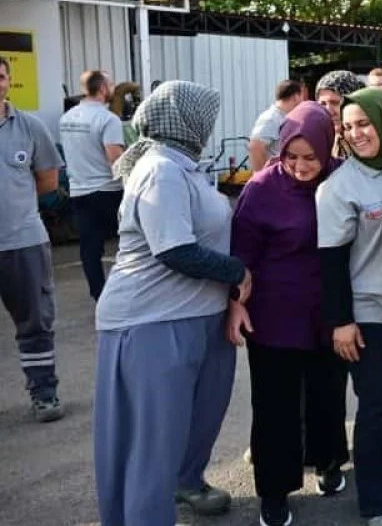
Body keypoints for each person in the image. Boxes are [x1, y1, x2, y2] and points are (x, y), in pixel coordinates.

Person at [93, 81, 248, 525]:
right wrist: (238, 272)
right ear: (185, 120)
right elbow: (175, 250)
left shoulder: (184, 166)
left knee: (192, 425)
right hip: (154, 322)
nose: (210, 126)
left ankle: (186, 482)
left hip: (197, 316)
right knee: (153, 442)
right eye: (205, 116)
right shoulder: (160, 169)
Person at [229, 102, 351, 526]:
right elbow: (241, 256)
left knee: (328, 394)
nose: (300, 166)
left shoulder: (342, 177)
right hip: (274, 315)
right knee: (275, 406)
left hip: (329, 312)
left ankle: (328, 461)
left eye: (310, 157)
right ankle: (274, 492)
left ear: (326, 147)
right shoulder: (262, 189)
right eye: (291, 156)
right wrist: (235, 304)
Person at [317, 87, 382, 526]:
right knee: (378, 402)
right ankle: (379, 502)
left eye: (365, 123)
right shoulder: (339, 187)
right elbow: (332, 261)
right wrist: (341, 322)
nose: (356, 133)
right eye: (349, 126)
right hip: (368, 309)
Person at [0, 56, 65, 422]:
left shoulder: (30, 127)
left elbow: (48, 181)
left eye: (0, 76)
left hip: (22, 242)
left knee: (35, 322)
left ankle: (44, 393)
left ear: (9, 81)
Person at [59, 69, 126, 301]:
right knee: (128, 244)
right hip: (108, 191)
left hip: (79, 191)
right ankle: (125, 295)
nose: (114, 89)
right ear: (103, 89)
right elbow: (115, 159)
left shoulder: (66, 119)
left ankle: (99, 296)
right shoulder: (108, 119)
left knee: (90, 248)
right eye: (112, 85)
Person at [249, 79, 306, 171]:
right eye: (302, 96)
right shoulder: (271, 118)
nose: (303, 101)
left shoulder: (284, 117)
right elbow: (255, 147)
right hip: (274, 177)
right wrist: (263, 176)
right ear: (295, 96)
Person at [316, 69, 364, 158]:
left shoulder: (370, 143)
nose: (328, 111)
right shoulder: (315, 144)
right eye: (323, 104)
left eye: (335, 103)